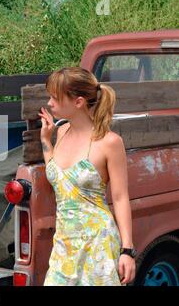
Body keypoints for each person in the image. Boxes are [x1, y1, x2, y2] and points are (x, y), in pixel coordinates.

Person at [38, 67, 136, 286]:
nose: (49, 103)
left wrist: (127, 251)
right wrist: (45, 140)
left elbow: (120, 198)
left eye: (55, 97)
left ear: (78, 102)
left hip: (98, 243)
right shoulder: (61, 132)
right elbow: (59, 179)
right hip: (64, 244)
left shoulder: (109, 142)